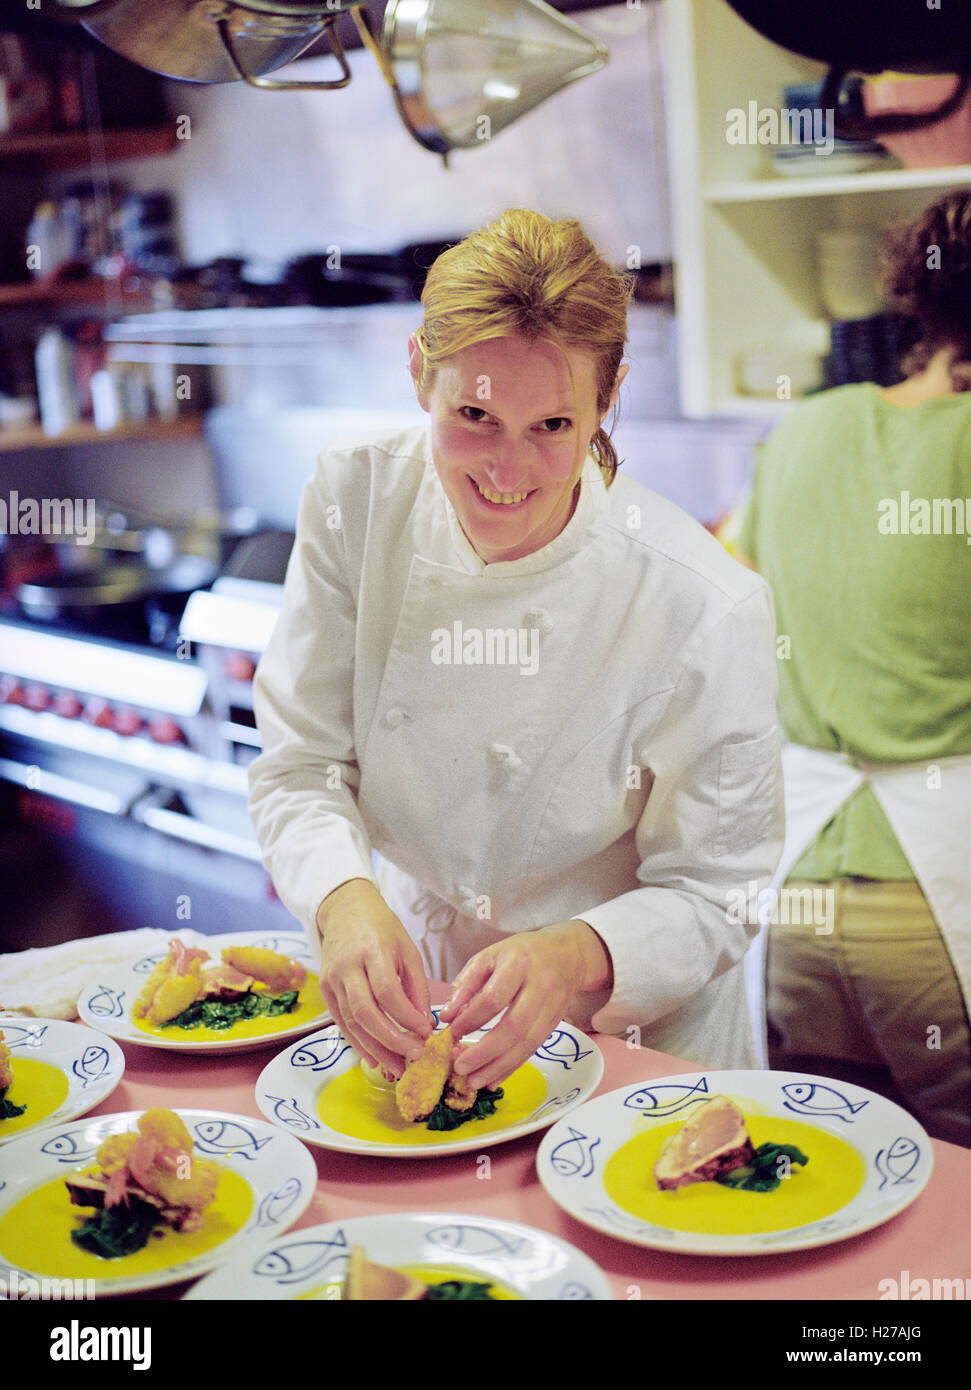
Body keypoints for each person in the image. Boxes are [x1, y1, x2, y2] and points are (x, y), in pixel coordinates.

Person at [248, 208, 784, 1093]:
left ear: (606, 403)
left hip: (634, 1038)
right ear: (420, 371)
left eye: (553, 427)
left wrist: (581, 955)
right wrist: (344, 902)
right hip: (423, 1001)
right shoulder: (357, 499)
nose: (508, 472)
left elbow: (717, 892)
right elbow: (301, 763)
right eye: (474, 415)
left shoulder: (700, 602)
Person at [735, 189, 971, 1146]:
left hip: (794, 900)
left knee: (824, 1177)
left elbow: (738, 587)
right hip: (935, 909)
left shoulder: (804, 432)